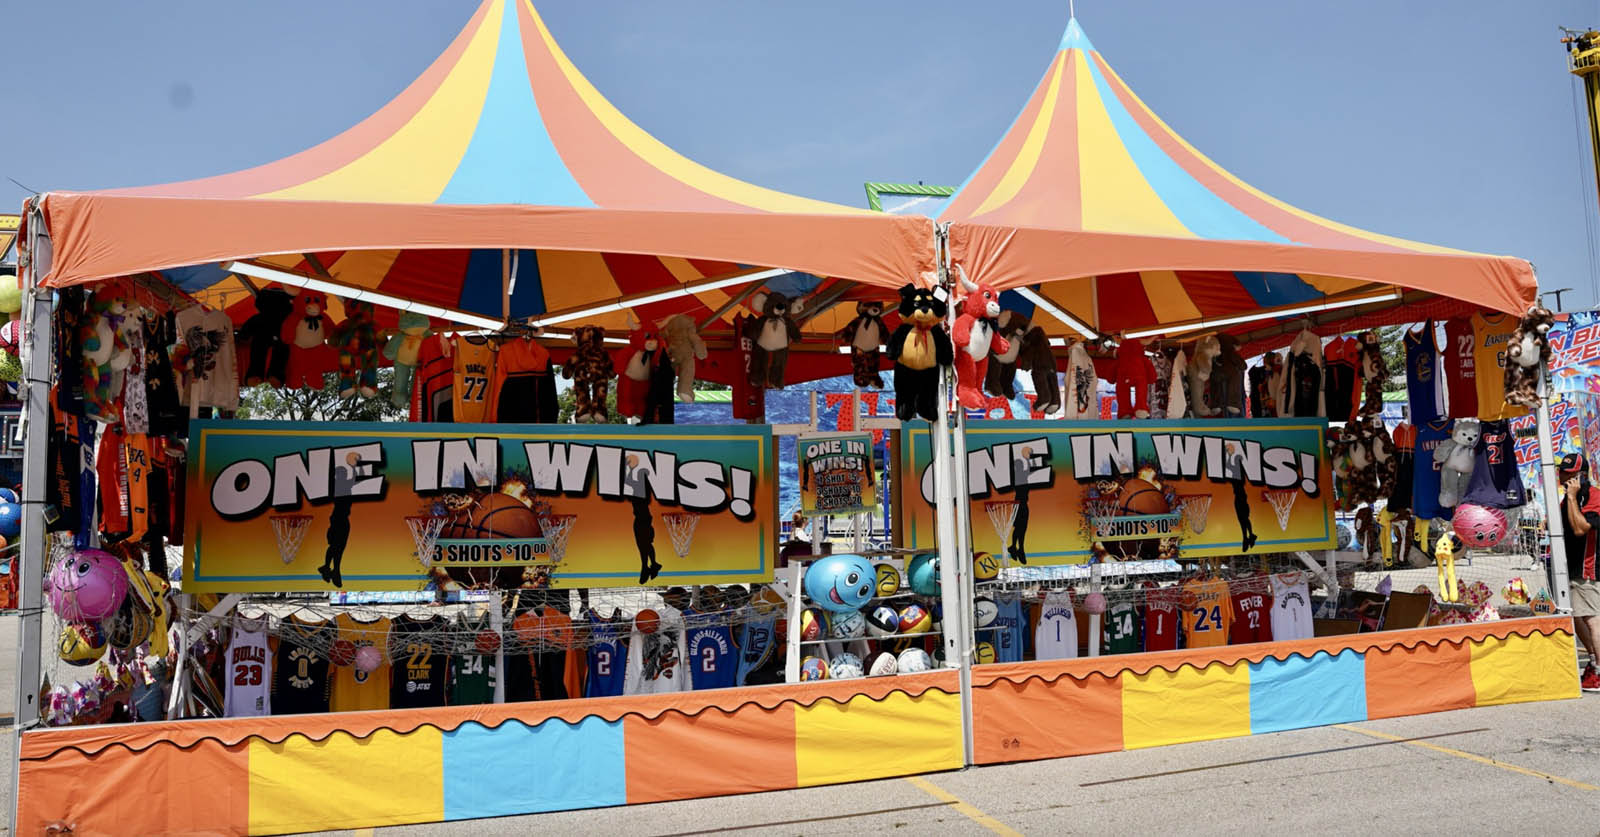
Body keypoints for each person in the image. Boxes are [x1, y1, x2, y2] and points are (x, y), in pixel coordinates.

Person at [1558, 453, 1600, 692]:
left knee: (1593, 620)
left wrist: (1572, 498)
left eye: (1567, 473)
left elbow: (1580, 528)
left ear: (1580, 476)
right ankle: (1594, 660)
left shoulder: (1593, 496)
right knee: (1575, 615)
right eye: (1562, 471)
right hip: (1571, 567)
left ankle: (1599, 670)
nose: (1562, 476)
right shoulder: (1568, 498)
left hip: (1589, 567)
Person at [625, 455, 662, 584]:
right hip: (644, 519)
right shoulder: (643, 490)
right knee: (646, 544)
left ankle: (647, 567)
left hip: (642, 520)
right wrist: (631, 469)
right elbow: (629, 482)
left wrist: (629, 468)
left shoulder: (639, 489)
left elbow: (627, 481)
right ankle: (651, 565)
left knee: (643, 545)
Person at [1227, 446, 1258, 553]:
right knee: (1244, 518)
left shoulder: (1237, 472)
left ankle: (1247, 537)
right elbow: (1228, 466)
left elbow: (1227, 465)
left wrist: (1229, 455)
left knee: (1243, 518)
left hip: (1240, 497)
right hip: (1241, 496)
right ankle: (1249, 535)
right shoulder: (1239, 472)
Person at [1009, 446, 1033, 564]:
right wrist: (1027, 459)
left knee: (1020, 528)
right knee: (1020, 528)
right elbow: (1027, 470)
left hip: (1021, 504)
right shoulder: (1018, 476)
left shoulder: (1021, 475)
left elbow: (1028, 470)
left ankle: (1016, 547)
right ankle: (1018, 548)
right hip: (1019, 504)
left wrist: (1027, 459)